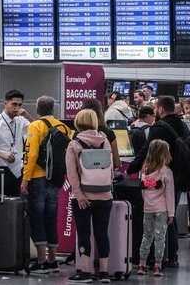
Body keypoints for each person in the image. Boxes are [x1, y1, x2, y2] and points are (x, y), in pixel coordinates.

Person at [127, 95, 186, 269]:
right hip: (178, 175)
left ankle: (149, 259)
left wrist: (132, 168)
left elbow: (147, 149)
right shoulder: (182, 125)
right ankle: (170, 256)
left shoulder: (159, 127)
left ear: (160, 109)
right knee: (171, 218)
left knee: (150, 230)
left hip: (159, 181)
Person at [21, 95, 71, 274]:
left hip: (38, 177)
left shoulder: (35, 126)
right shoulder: (64, 127)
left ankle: (41, 261)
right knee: (51, 217)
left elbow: (30, 154)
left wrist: (25, 179)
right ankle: (52, 260)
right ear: (53, 109)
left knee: (37, 217)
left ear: (38, 110)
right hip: (57, 178)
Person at [65, 109, 114, 284]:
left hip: (83, 197)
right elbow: (110, 169)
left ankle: (85, 271)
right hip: (105, 195)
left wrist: (79, 194)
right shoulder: (105, 141)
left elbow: (72, 173)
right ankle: (104, 272)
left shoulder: (74, 144)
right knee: (102, 233)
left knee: (84, 233)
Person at [137, 140, 175, 277]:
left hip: (148, 208)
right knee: (160, 237)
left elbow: (143, 191)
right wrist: (171, 213)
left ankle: (141, 264)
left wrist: (147, 202)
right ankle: (157, 266)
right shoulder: (166, 172)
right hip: (162, 210)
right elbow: (169, 194)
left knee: (146, 236)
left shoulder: (144, 171)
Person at [0, 89, 29, 197]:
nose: (16, 108)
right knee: (1, 203)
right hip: (0, 169)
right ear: (6, 104)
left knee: (15, 203)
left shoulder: (20, 120)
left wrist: (27, 115)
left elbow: (37, 129)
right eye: (14, 104)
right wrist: (1, 154)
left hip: (17, 168)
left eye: (20, 105)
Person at [81, 98, 121, 170]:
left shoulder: (78, 135)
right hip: (105, 178)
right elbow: (117, 163)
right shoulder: (109, 133)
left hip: (84, 178)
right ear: (100, 112)